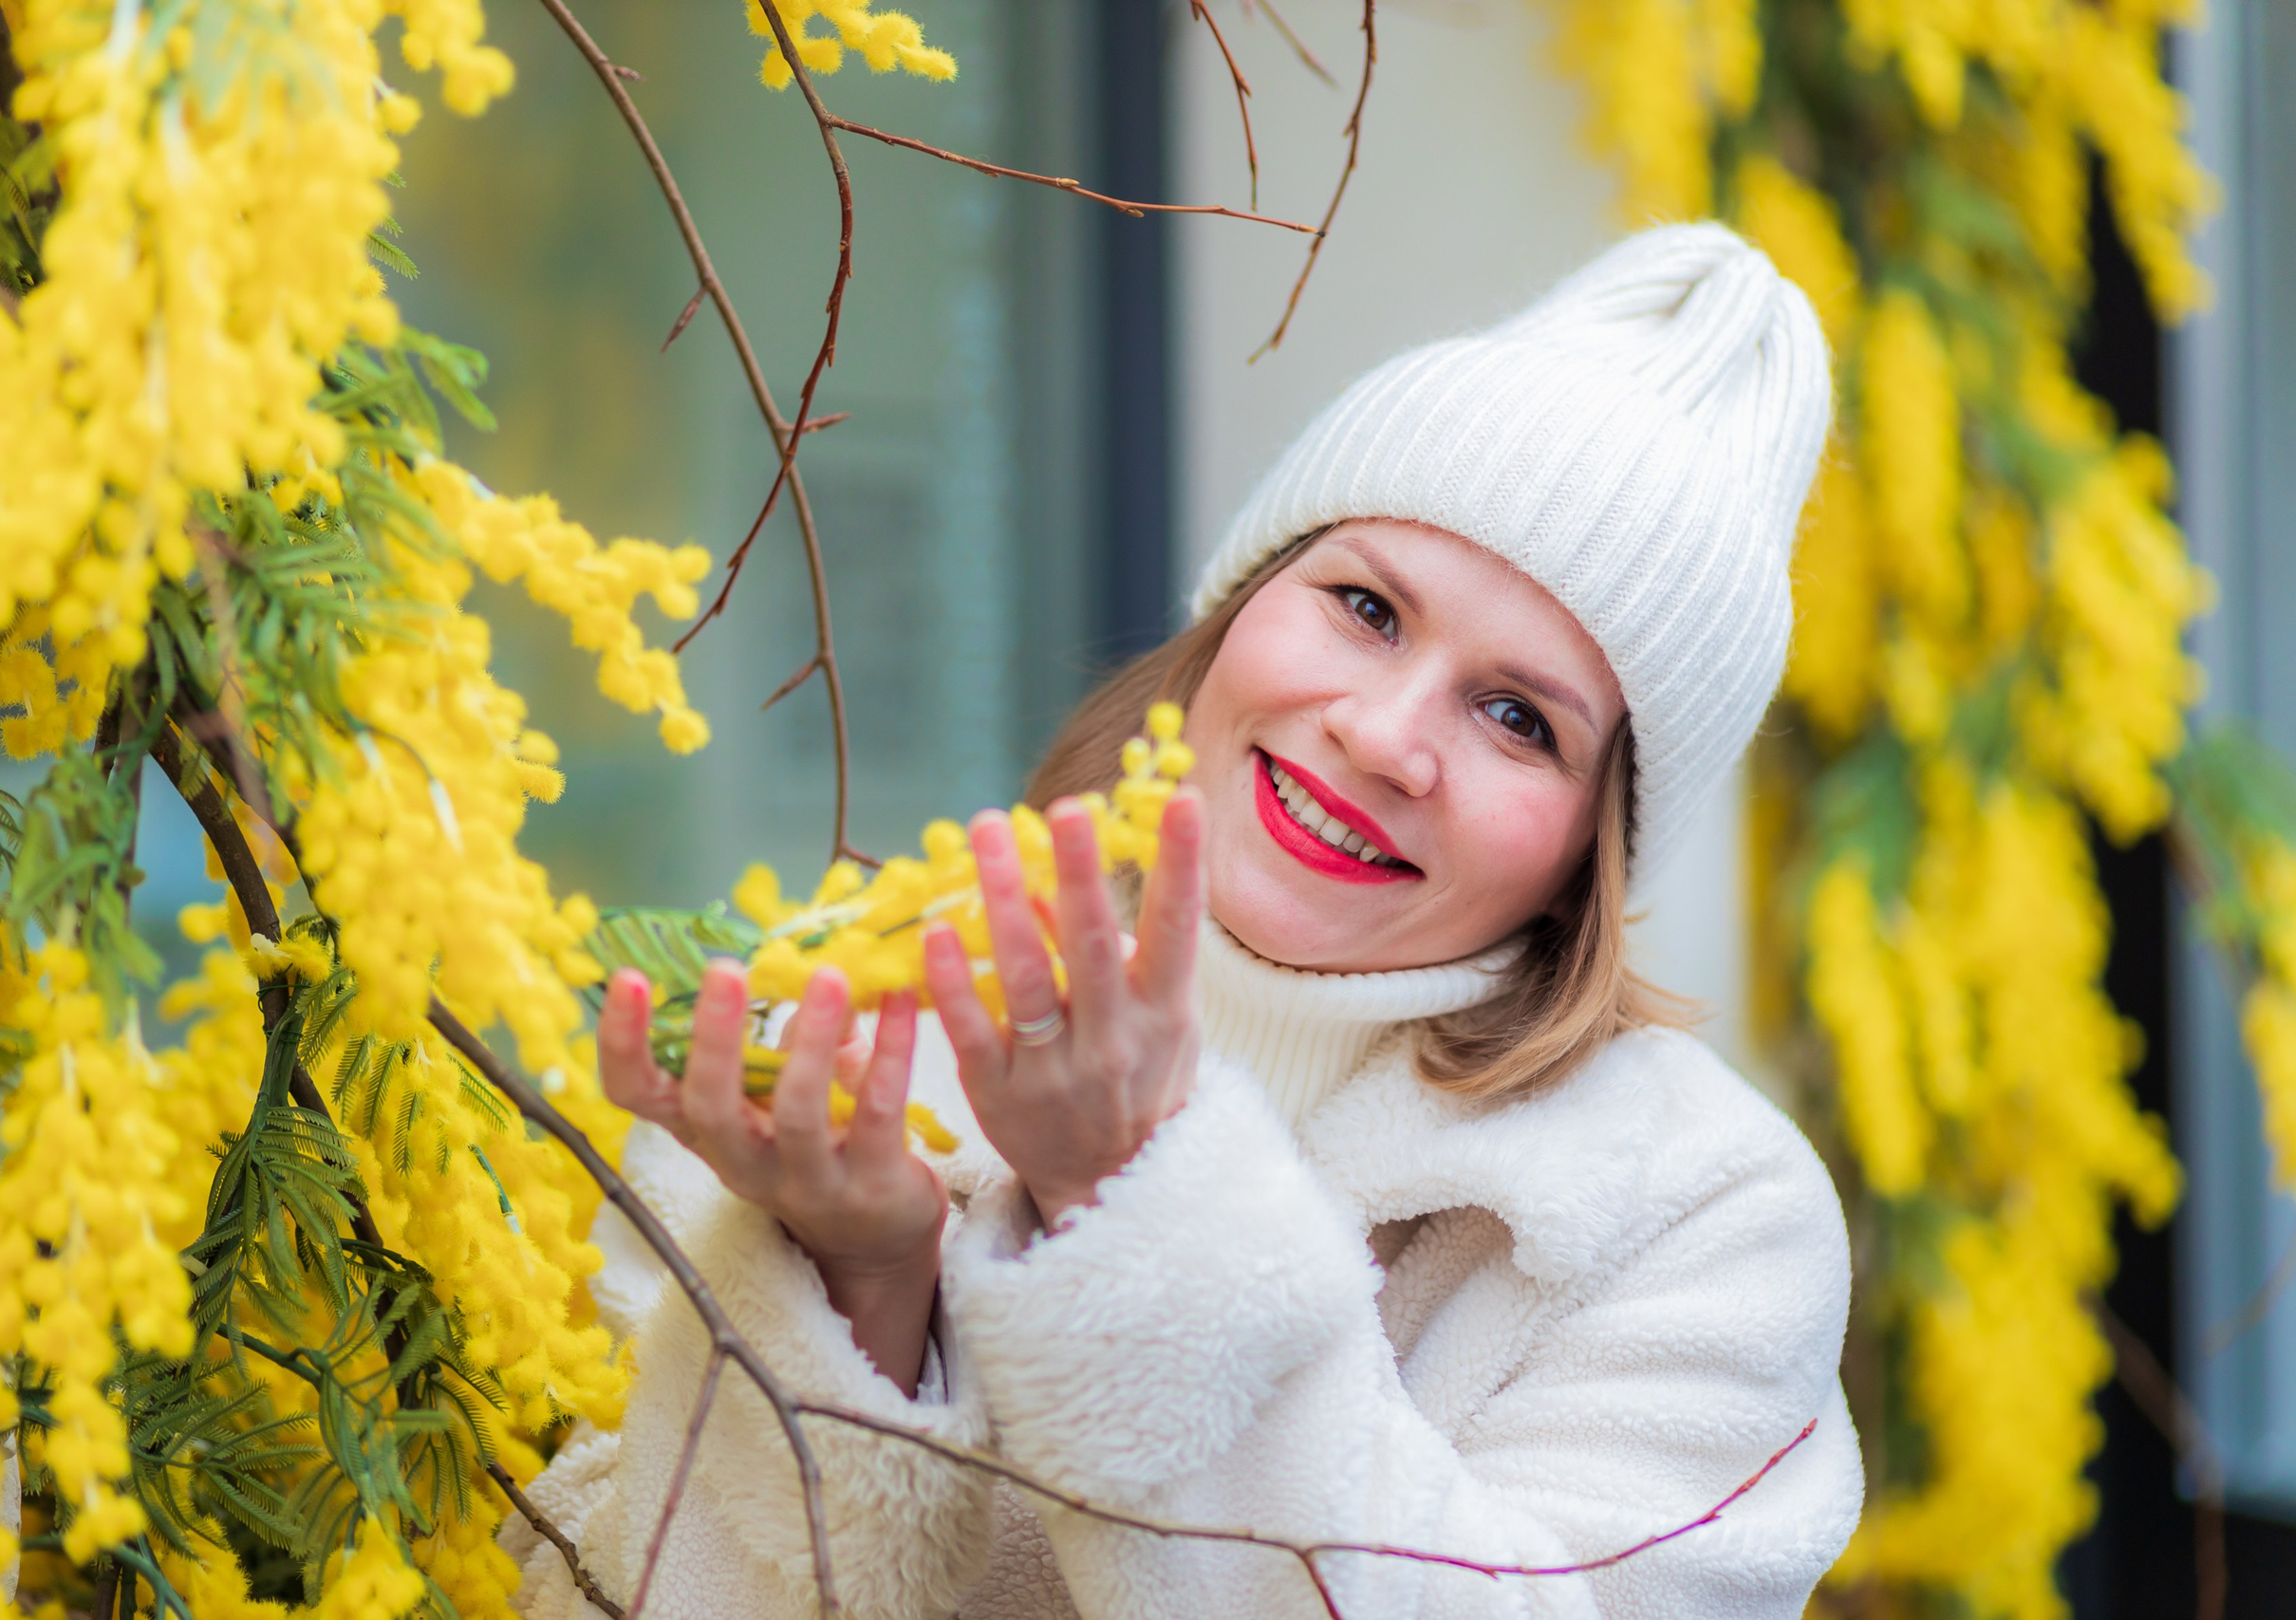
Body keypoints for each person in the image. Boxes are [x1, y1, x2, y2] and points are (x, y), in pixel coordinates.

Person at [501, 222, 1864, 1619]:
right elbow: (572, 1584)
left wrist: (1136, 1198)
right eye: (1365, 607)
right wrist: (854, 1287)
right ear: (1237, 612)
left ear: (1595, 842)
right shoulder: (847, 1009)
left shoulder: (1698, 1221)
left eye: (1519, 719)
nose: (1389, 735)